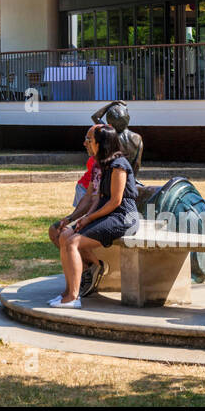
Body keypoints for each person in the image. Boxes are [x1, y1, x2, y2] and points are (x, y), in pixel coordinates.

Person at [49, 125, 139, 308]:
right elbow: (95, 197)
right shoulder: (101, 165)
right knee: (65, 236)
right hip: (108, 214)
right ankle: (68, 292)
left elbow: (115, 201)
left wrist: (89, 219)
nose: (85, 143)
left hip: (123, 217)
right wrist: (78, 218)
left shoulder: (119, 166)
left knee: (73, 242)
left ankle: (74, 298)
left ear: (101, 143)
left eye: (89, 140)